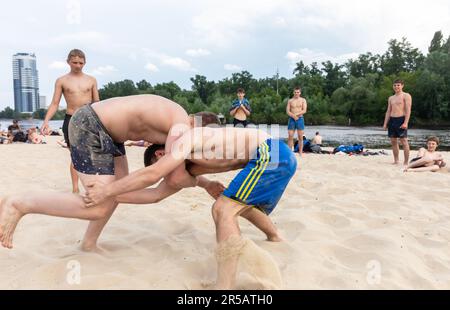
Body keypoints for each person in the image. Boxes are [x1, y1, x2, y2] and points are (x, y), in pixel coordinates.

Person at [0, 95, 221, 251]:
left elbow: (170, 176)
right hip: (91, 125)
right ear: (199, 128)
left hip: (109, 133)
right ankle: (20, 203)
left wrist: (206, 183)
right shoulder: (182, 125)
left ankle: (88, 243)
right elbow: (161, 175)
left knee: (119, 190)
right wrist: (201, 182)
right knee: (99, 205)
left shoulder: (178, 120)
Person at [41, 49, 100, 194]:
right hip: (71, 119)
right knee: (76, 155)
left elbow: (97, 102)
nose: (78, 65)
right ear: (68, 62)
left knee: (90, 154)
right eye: (75, 62)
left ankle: (89, 185)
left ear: (84, 63)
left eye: (81, 63)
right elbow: (55, 103)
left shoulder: (91, 80)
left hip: (89, 119)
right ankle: (75, 188)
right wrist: (46, 121)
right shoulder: (62, 80)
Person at [383, 79, 412, 166]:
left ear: (402, 85)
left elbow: (408, 110)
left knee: (404, 141)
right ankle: (396, 160)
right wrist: (385, 124)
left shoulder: (406, 96)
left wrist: (406, 122)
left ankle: (406, 162)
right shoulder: (391, 98)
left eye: (398, 85)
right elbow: (388, 111)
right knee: (393, 141)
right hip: (392, 120)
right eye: (395, 85)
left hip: (401, 119)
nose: (396, 87)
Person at [286, 87, 307, 156]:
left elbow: (304, 110)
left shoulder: (303, 100)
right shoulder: (290, 101)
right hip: (292, 119)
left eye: (298, 92)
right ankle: (289, 153)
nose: (296, 93)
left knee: (300, 136)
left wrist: (296, 115)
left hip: (300, 119)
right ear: (293, 92)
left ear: (300, 93)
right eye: (295, 92)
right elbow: (287, 111)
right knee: (290, 136)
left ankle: (300, 153)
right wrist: (293, 116)